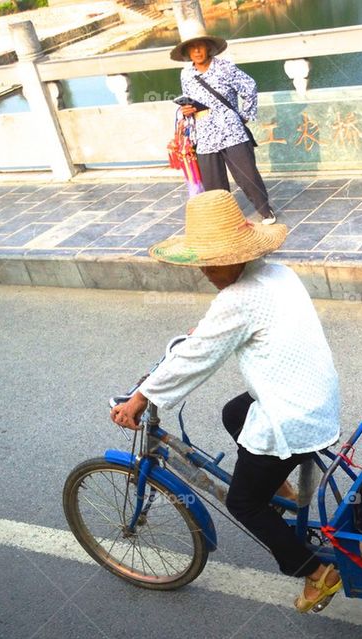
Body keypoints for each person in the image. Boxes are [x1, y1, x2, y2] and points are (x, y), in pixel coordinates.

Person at [110, 189, 342, 613]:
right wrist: (202, 334)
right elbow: (216, 332)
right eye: (203, 262)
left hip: (294, 414)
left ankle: (315, 571)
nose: (205, 271)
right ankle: (281, 487)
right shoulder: (277, 274)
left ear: (236, 257)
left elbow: (198, 357)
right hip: (314, 393)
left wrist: (142, 397)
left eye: (213, 262)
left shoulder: (238, 299)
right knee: (235, 412)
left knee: (243, 502)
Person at [170, 25, 276, 225]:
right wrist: (187, 111)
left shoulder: (225, 67)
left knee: (247, 175)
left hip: (231, 131)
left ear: (209, 48)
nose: (197, 51)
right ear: (187, 52)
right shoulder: (186, 74)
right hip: (204, 135)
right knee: (213, 182)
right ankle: (225, 219)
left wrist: (244, 115)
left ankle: (265, 211)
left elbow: (250, 87)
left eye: (201, 46)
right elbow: (189, 100)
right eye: (192, 48)